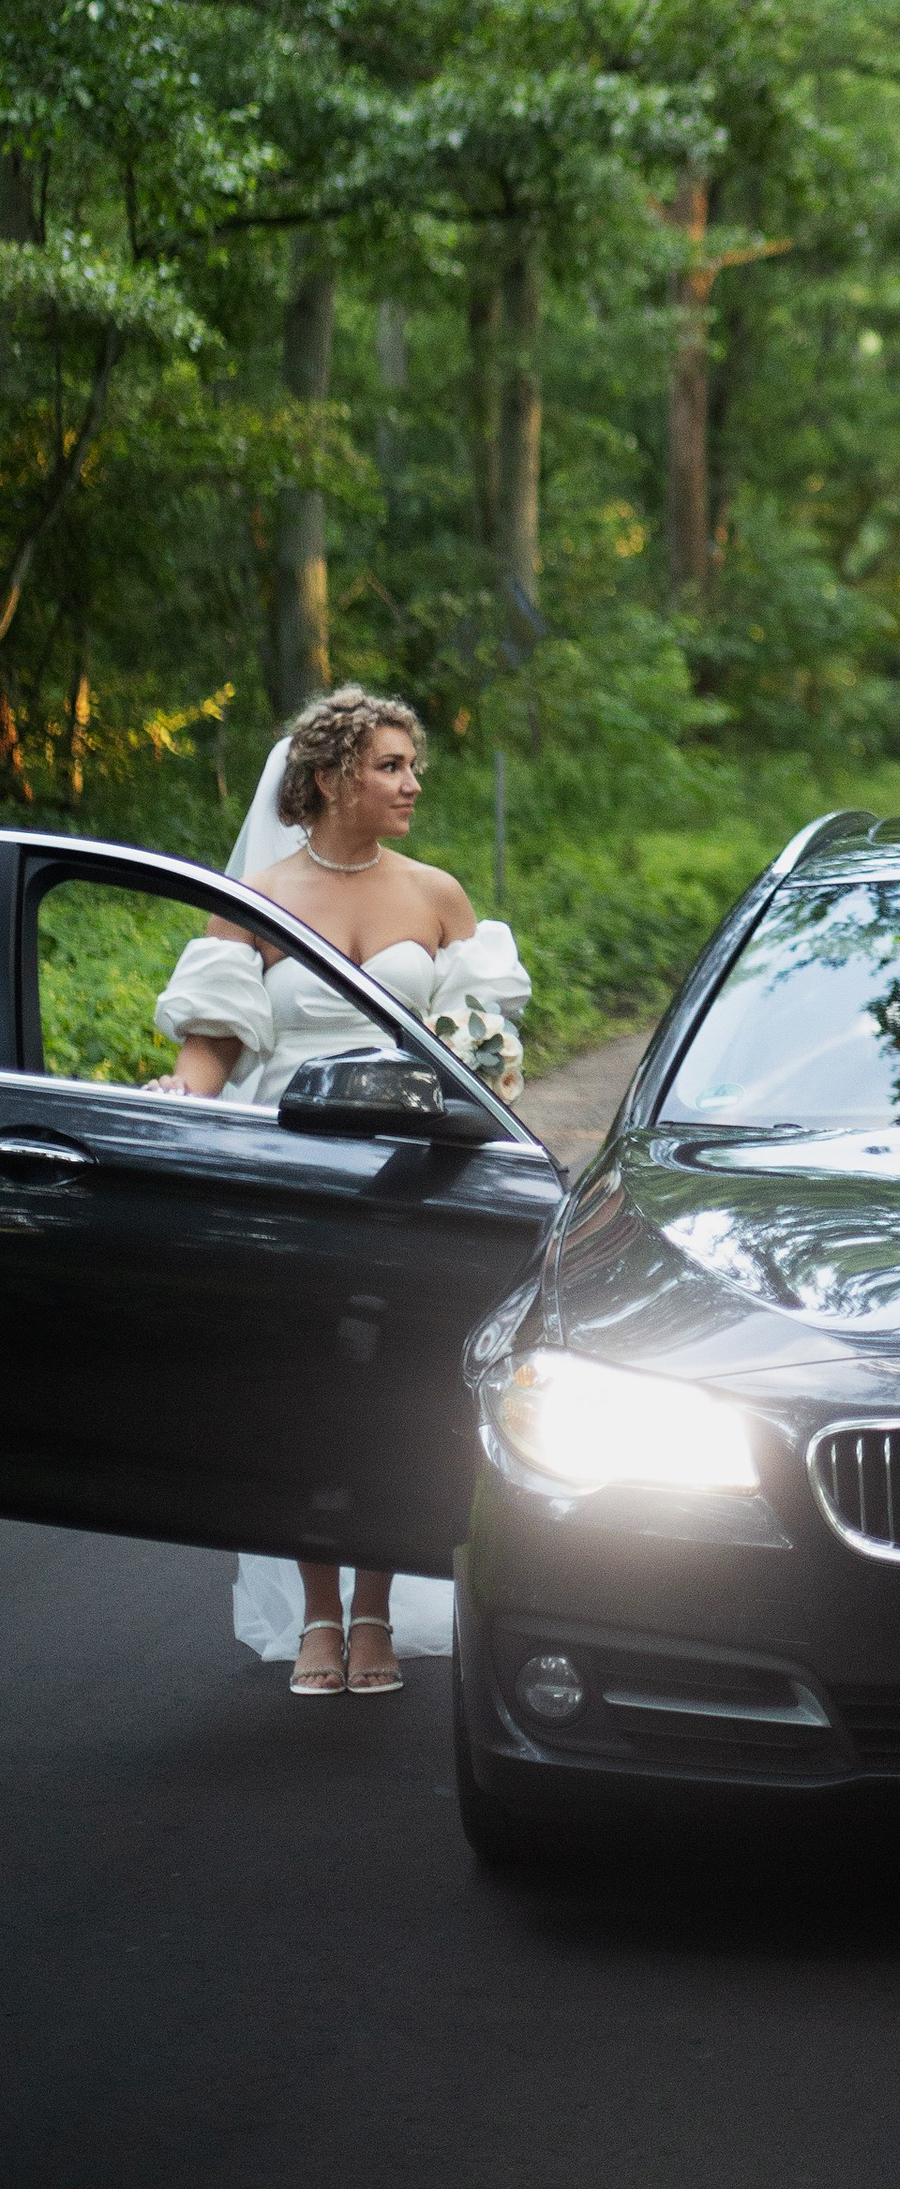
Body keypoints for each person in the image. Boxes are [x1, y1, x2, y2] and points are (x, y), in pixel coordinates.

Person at [148, 686, 529, 1700]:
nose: (412, 784)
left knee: (394, 1398)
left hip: (408, 1179)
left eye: (414, 767)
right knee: (304, 1399)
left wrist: (484, 1098)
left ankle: (376, 1608)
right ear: (328, 780)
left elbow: (485, 1057)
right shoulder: (258, 897)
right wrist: (168, 1107)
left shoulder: (439, 896)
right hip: (293, 1182)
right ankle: (321, 1612)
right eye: (391, 767)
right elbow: (211, 1052)